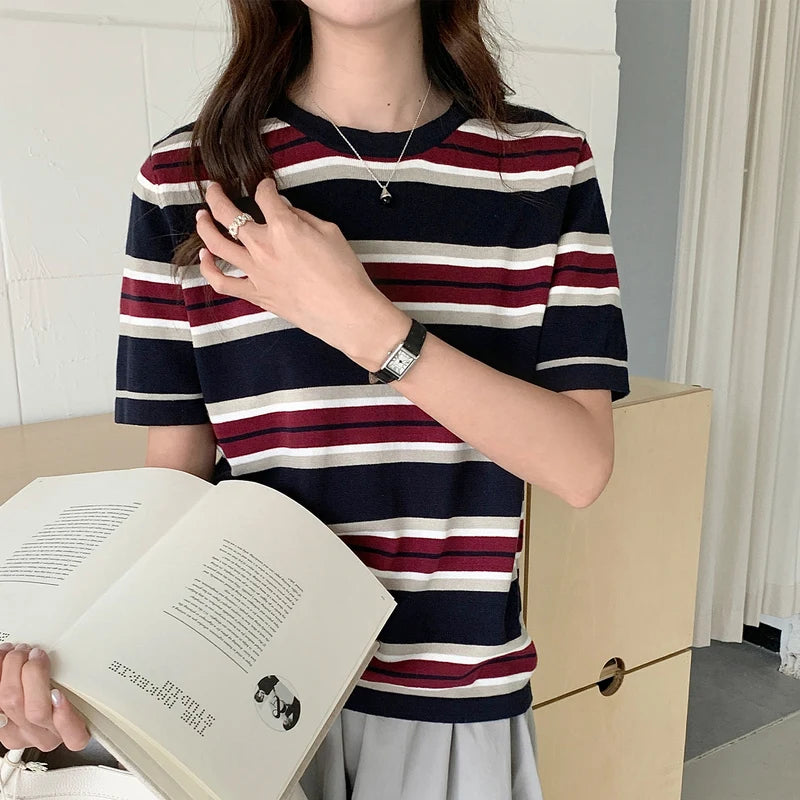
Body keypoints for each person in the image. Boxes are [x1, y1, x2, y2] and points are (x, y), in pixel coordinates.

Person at [0, 1, 630, 797]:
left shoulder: (545, 166)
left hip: (452, 701)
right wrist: (65, 679)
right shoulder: (184, 180)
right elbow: (173, 490)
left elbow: (580, 465)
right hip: (237, 706)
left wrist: (366, 323)